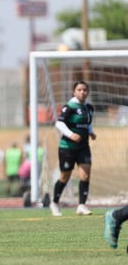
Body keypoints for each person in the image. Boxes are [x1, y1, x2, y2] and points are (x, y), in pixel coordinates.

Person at [49, 81, 96, 217]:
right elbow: (59, 123)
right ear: (74, 92)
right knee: (64, 176)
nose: (82, 92)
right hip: (67, 147)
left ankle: (81, 205)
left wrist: (91, 132)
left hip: (83, 147)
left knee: (85, 174)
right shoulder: (69, 107)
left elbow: (87, 123)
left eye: (85, 90)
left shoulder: (89, 108)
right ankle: (55, 202)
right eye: (79, 90)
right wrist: (70, 134)